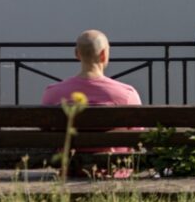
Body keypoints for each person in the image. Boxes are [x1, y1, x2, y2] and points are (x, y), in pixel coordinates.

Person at [41, 30, 142, 177]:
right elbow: (138, 136)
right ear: (103, 55)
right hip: (114, 171)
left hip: (70, 170)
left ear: (77, 54)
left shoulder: (52, 93)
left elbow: (46, 133)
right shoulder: (127, 94)